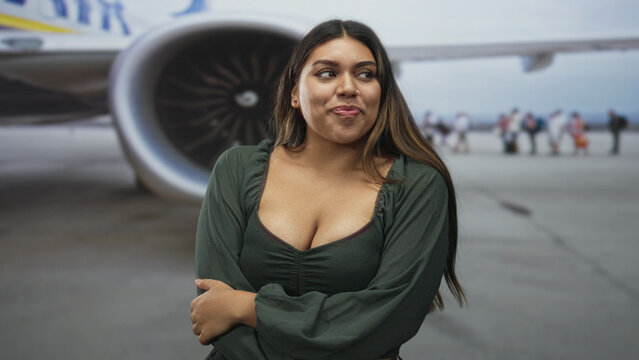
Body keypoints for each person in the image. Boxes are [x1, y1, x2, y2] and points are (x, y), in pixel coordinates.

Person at [190, 19, 466, 360]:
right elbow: (214, 304)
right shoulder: (236, 169)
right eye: (326, 73)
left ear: (382, 92)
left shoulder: (417, 185)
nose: (348, 87)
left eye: (366, 74)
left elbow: (387, 319)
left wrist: (251, 307)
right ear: (294, 93)